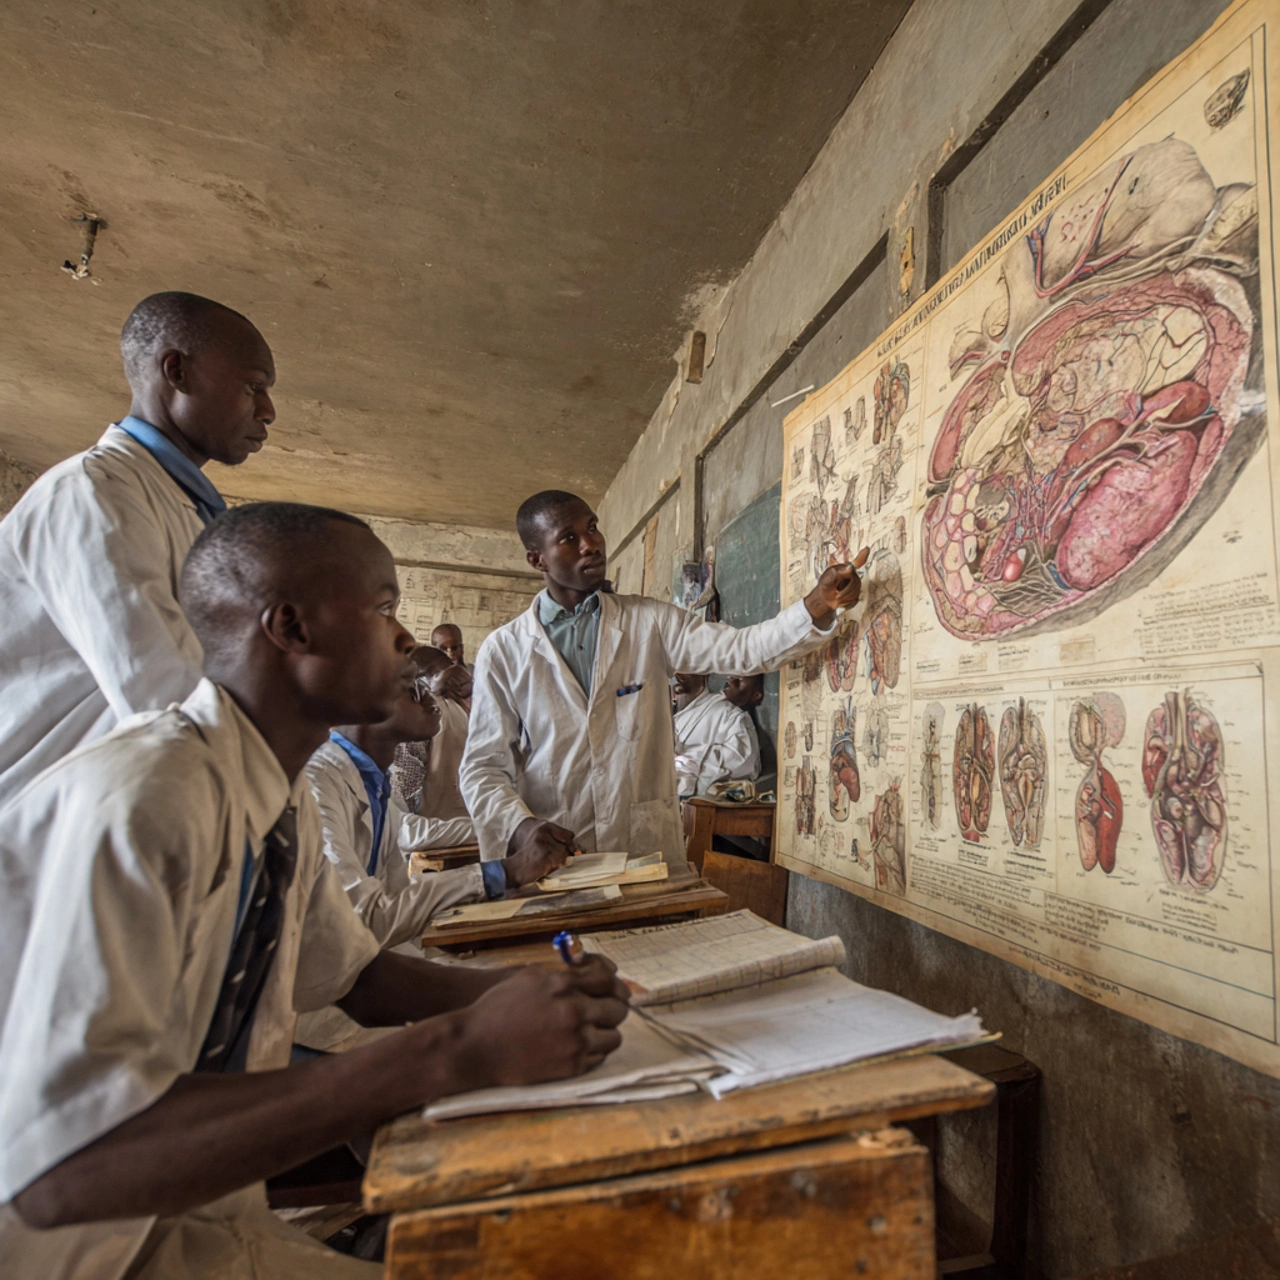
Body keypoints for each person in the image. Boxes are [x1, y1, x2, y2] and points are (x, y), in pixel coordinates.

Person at [0, 502, 628, 1280]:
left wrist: (522, 990)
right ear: (291, 629)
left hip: (188, 1218)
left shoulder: (274, 788)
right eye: (383, 609)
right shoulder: (146, 797)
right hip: (67, 1248)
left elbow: (354, 978)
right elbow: (63, 1171)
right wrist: (455, 1048)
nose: (406, 639)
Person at [461, 489, 868, 865]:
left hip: (642, 848)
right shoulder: (505, 651)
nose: (592, 544)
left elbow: (743, 650)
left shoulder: (648, 622)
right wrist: (521, 826)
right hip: (556, 852)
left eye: (592, 527)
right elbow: (483, 768)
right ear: (537, 560)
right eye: (569, 538)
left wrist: (816, 605)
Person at [0, 291, 275, 806]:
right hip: (35, 826)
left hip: (112, 814)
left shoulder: (184, 510)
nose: (268, 410)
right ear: (177, 371)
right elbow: (161, 693)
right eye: (253, 386)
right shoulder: (92, 492)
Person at [390, 645, 472, 822]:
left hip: (432, 835)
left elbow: (402, 794)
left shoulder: (420, 715)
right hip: (476, 829)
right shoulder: (472, 710)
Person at [672, 672, 761, 798]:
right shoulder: (668, 718)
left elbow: (744, 760)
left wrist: (688, 761)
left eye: (685, 671)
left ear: (703, 675)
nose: (678, 677)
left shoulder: (729, 715)